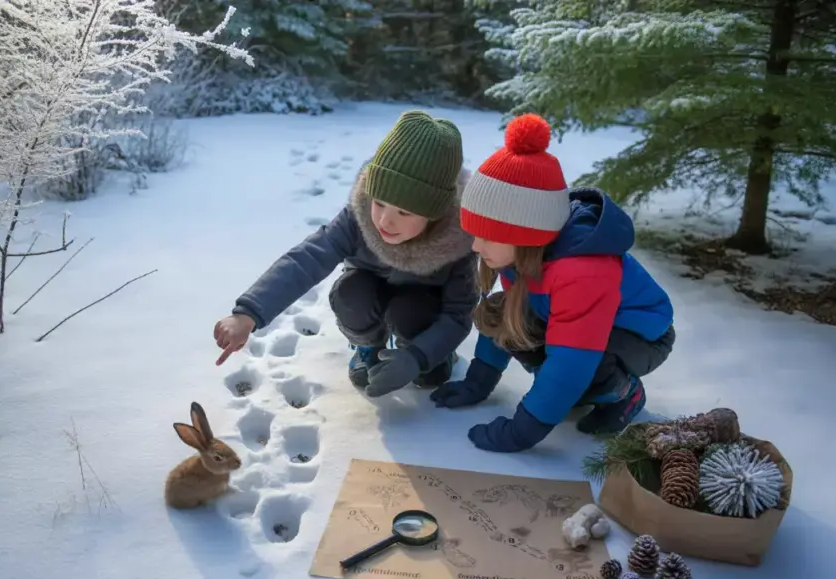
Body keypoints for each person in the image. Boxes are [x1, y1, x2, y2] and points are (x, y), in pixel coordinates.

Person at [430, 113, 675, 452]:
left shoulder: (582, 270)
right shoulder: (521, 251)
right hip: (584, 326)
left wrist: (522, 431)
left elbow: (571, 360)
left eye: (488, 236)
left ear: (525, 233)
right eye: (475, 233)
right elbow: (507, 320)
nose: (475, 246)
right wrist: (477, 383)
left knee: (580, 367)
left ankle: (623, 393)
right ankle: (571, 393)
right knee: (508, 315)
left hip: (641, 337)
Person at [213, 110, 479, 398]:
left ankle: (430, 355)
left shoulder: (458, 241)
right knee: (351, 294)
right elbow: (307, 259)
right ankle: (367, 348)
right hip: (369, 289)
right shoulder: (359, 219)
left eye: (404, 212)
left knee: (411, 312)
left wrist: (418, 357)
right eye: (379, 203)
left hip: (423, 306)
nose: (385, 222)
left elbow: (458, 314)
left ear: (435, 214)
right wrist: (249, 313)